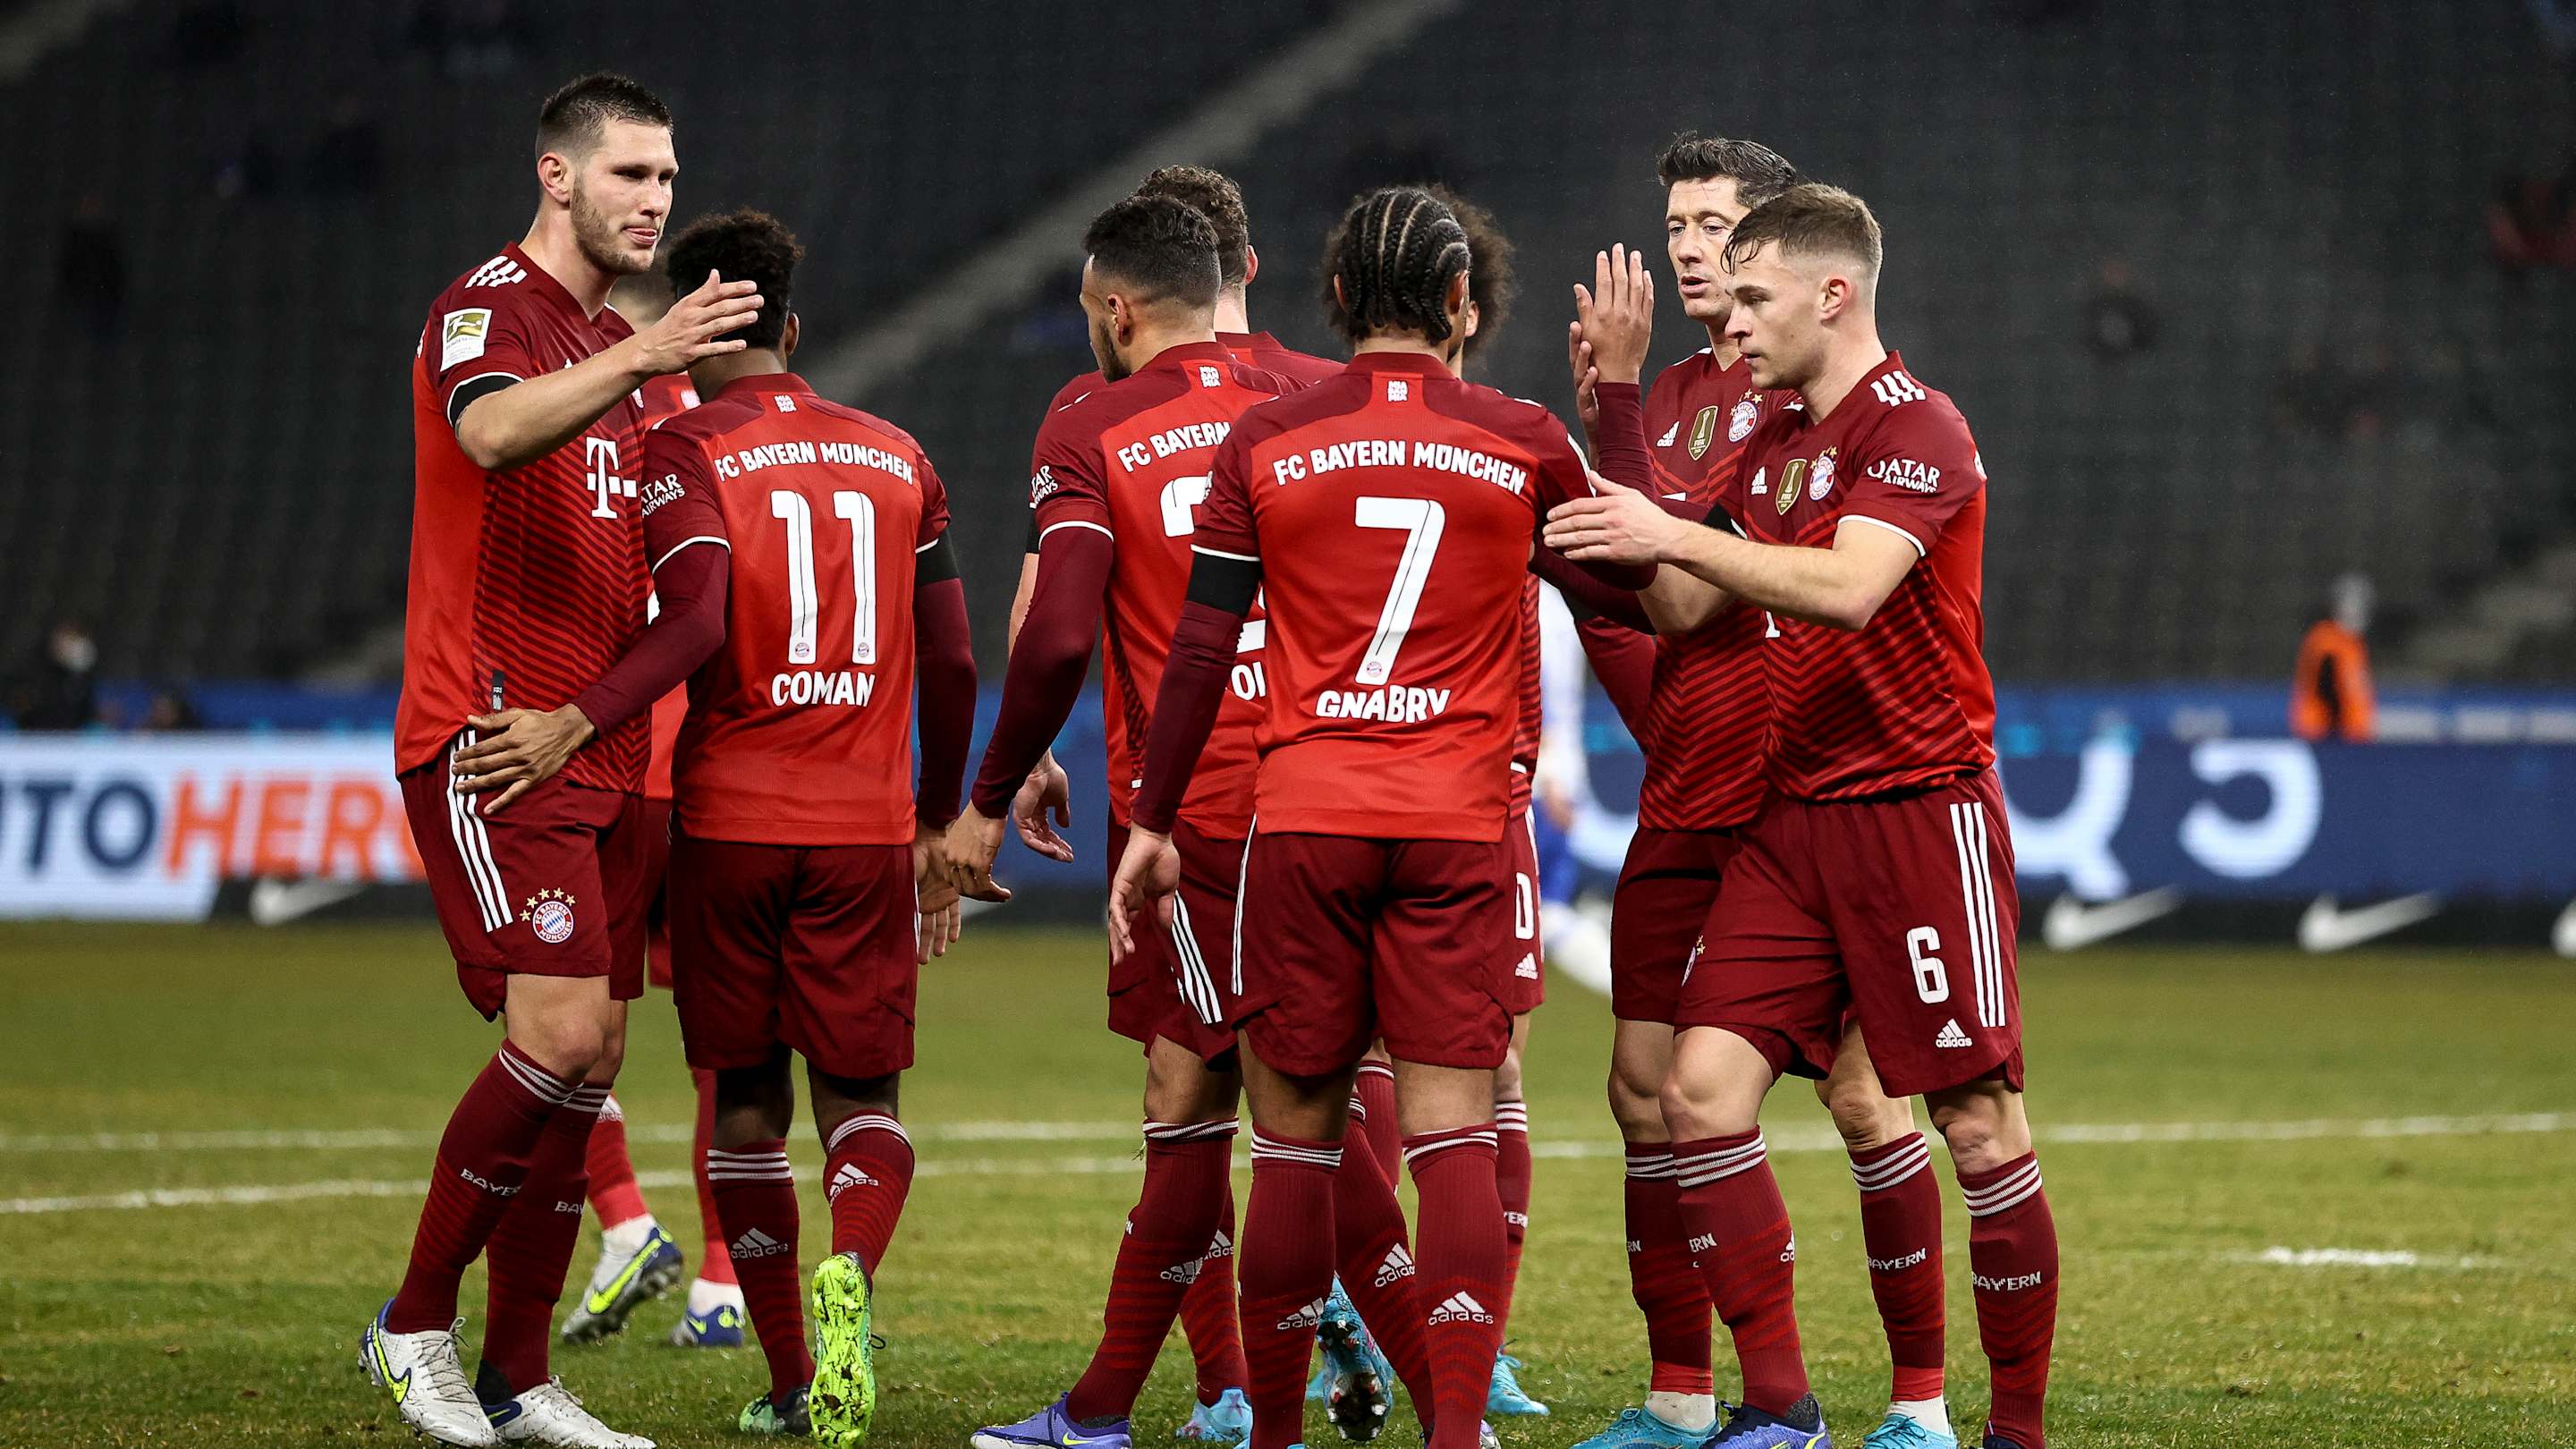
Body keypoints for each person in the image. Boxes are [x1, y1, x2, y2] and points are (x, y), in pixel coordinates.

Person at [1108, 185, 1655, 1449]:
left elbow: (1200, 651)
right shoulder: (1522, 438)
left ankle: (1275, 1435)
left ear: (1340, 299)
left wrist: (1151, 821)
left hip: (1303, 823)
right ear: (1463, 303)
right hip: (1457, 826)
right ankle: (1456, 1432)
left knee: (1296, 1147)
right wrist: (1619, 408)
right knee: (1454, 1136)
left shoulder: (1266, 439)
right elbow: (1636, 587)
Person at [1546, 184, 2057, 1449]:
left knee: (1975, 1123)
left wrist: (1676, 533)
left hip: (1917, 815)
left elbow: (1849, 589)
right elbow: (1679, 608)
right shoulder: (1773, 441)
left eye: (1754, 296)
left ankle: (2014, 1430)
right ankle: (1780, 1407)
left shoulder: (1920, 426)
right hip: (1792, 821)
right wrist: (1581, 522)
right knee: (1696, 1093)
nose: (1732, 319)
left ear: (1833, 295)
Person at [461, 208, 979, 1443]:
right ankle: (852, 1266)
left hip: (730, 825)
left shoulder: (678, 444)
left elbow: (687, 620)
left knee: (743, 1100)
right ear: (794, 329)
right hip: (864, 829)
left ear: (692, 329)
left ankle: (795, 1376)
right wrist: (938, 819)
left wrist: (576, 721)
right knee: (863, 1101)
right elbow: (956, 662)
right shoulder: (900, 455)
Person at [366, 72, 759, 1449]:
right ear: (557, 175)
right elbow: (487, 430)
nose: (655, 199)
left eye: (667, 177)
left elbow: (684, 589)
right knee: (560, 1038)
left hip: (594, 743)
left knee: (591, 1066)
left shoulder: (626, 361)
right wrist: (644, 360)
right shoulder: (486, 309)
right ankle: (413, 1322)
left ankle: (519, 1377)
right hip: (489, 735)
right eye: (630, 174)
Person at [556, 268, 741, 1354]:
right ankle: (721, 1284)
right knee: (724, 1043)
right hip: (718, 768)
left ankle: (623, 1219)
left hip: (616, 756)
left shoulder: (581, 417)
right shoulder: (726, 425)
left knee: (564, 1026)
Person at [2290, 573, 2376, 742]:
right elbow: (2327, 690)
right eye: (2354, 606)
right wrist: (2337, 732)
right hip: (2325, 736)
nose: (2359, 612)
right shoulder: (2326, 641)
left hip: (2351, 736)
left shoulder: (2353, 644)